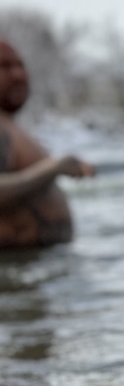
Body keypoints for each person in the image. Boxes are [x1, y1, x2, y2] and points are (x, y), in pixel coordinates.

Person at [0, 36, 94, 248]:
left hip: (36, 263)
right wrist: (53, 169)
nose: (19, 75)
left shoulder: (10, 127)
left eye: (20, 65)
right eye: (4, 66)